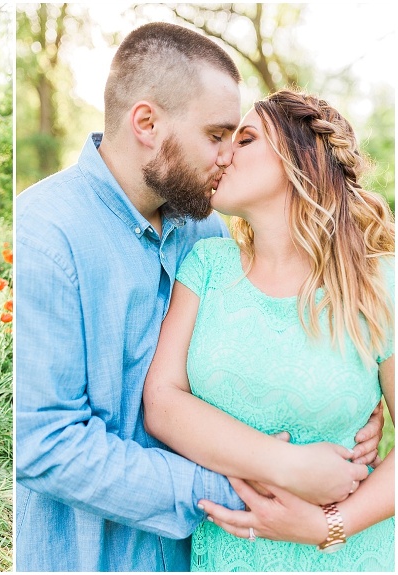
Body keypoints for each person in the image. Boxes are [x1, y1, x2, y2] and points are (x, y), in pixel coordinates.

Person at [15, 22, 383, 572]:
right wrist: (265, 482)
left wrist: (347, 405)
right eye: (217, 136)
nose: (226, 156)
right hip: (94, 554)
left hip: (206, 554)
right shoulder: (45, 234)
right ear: (146, 122)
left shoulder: (204, 233)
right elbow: (46, 444)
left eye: (239, 139)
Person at [143, 88, 394, 571]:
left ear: (301, 159)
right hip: (230, 554)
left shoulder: (380, 283)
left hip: (352, 556)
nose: (223, 154)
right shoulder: (207, 266)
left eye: (246, 138)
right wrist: (287, 465)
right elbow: (162, 402)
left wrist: (327, 527)